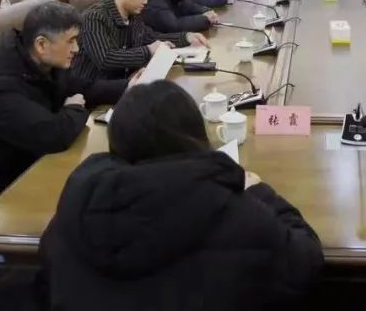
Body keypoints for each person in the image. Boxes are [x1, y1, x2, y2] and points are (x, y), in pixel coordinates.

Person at [40, 80, 324, 310]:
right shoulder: (236, 212)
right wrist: (260, 192)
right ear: (194, 135)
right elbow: (305, 261)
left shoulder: (76, 205)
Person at [0, 2, 131, 200]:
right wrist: (75, 108)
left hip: (29, 160)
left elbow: (82, 87)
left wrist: (130, 86)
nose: (77, 49)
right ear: (41, 44)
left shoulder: (40, 59)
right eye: (71, 41)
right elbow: (53, 136)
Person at [71, 0, 207, 82]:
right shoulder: (95, 17)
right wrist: (148, 51)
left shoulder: (132, 14)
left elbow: (151, 37)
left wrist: (186, 37)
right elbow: (106, 58)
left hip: (125, 81)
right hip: (94, 90)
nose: (146, 1)